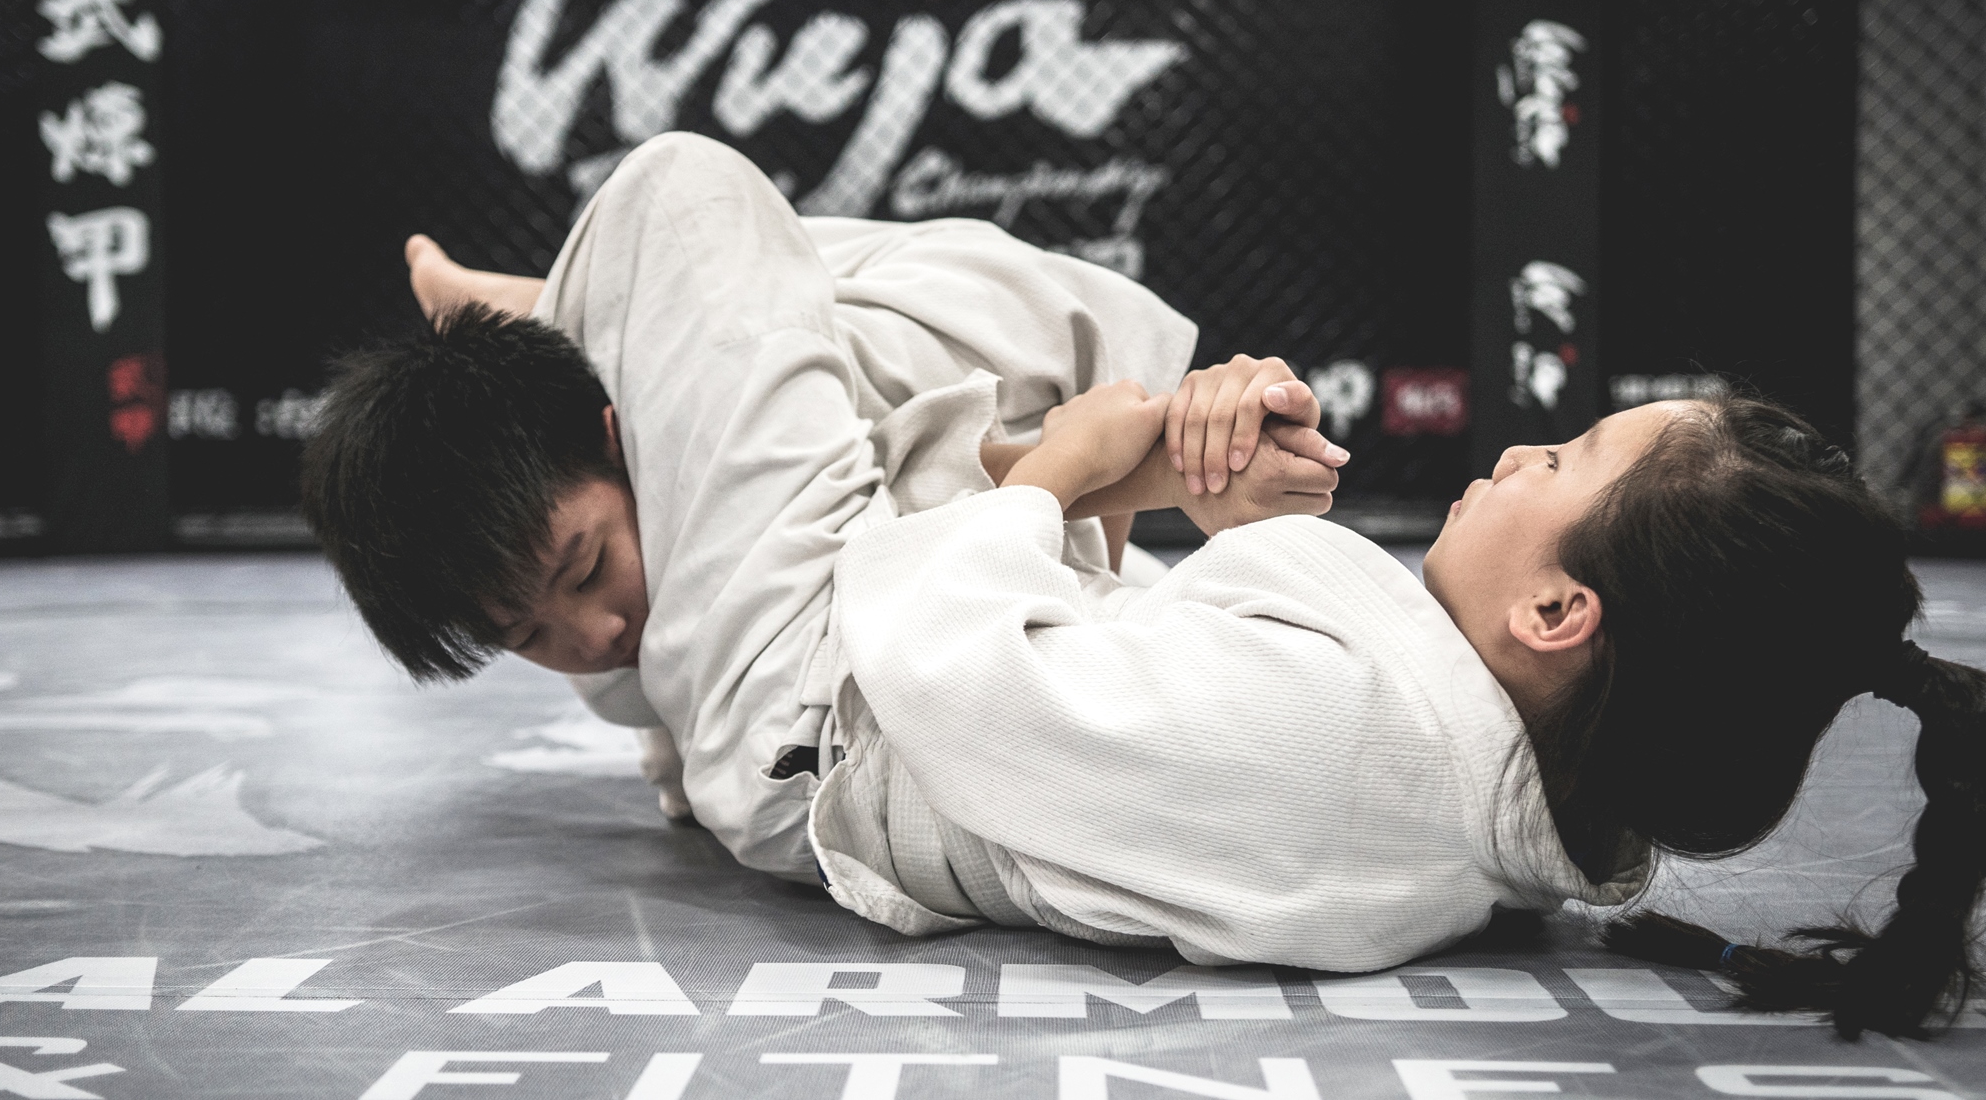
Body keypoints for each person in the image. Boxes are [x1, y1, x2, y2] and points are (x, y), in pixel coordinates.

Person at [302, 132, 1346, 872]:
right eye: (524, 635)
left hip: (924, 398)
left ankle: (555, 314)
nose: (594, 632)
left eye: (586, 567)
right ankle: (558, 314)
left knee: (749, 260)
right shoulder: (622, 647)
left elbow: (971, 459)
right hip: (839, 598)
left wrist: (1138, 479)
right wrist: (1138, 475)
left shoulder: (841, 400)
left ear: (626, 441)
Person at [814, 380, 1984, 1039]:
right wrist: (1193, 514)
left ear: (1553, 609)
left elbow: (949, 675)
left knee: (716, 200)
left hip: (824, 699)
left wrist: (1060, 474)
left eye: (1559, 461)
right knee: (1069, 321)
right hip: (933, 691)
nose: (1516, 451)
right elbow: (1157, 714)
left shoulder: (1329, 718)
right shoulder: (1489, 794)